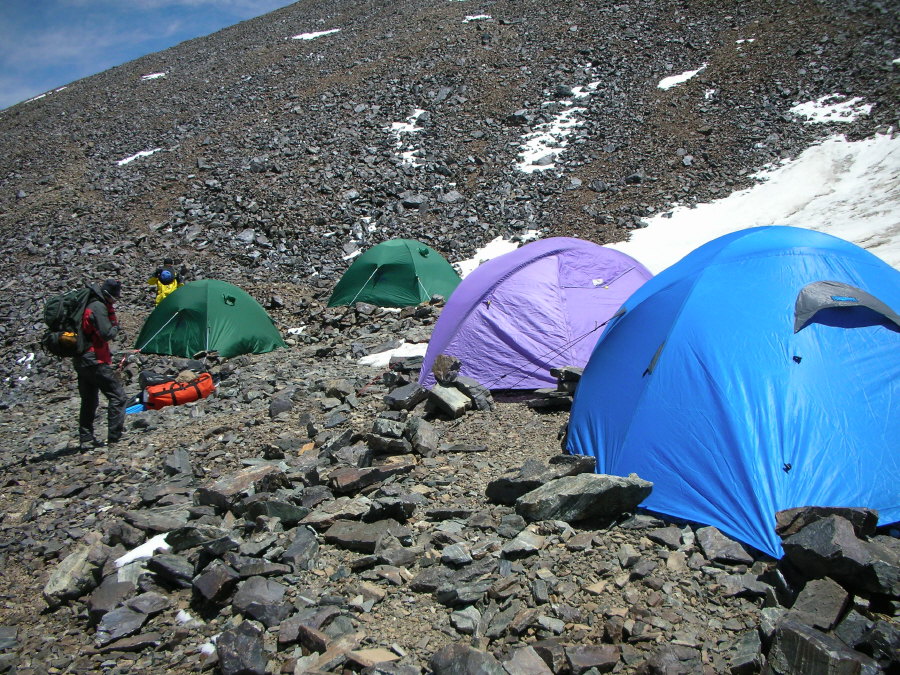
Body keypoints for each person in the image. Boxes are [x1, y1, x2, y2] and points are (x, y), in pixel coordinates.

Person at [75, 279, 127, 449]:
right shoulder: (98, 307)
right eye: (114, 298)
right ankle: (115, 437)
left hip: (81, 358)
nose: (115, 301)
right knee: (118, 396)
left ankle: (86, 439)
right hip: (94, 359)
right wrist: (116, 327)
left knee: (89, 400)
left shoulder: (89, 304)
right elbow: (105, 333)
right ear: (108, 295)